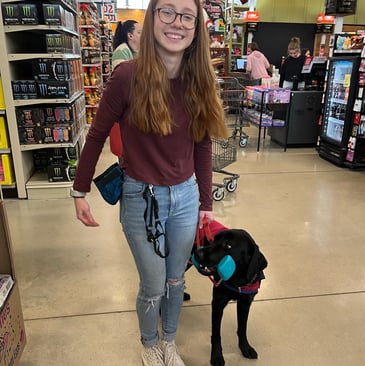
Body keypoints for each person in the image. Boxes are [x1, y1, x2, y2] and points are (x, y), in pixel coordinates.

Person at [71, 0, 228, 365]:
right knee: (154, 284)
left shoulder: (200, 80)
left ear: (196, 27)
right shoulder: (128, 76)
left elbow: (203, 146)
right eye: (167, 12)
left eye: (187, 15)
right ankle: (148, 344)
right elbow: (95, 136)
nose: (177, 22)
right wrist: (79, 191)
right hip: (141, 198)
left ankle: (168, 342)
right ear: (153, 17)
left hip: (186, 198)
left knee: (177, 281)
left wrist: (206, 202)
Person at [109, 20, 142, 159]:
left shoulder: (135, 52)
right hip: (124, 115)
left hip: (134, 115)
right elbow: (123, 85)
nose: (143, 36)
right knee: (125, 158)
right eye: (139, 32)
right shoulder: (122, 51)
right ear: (130, 35)